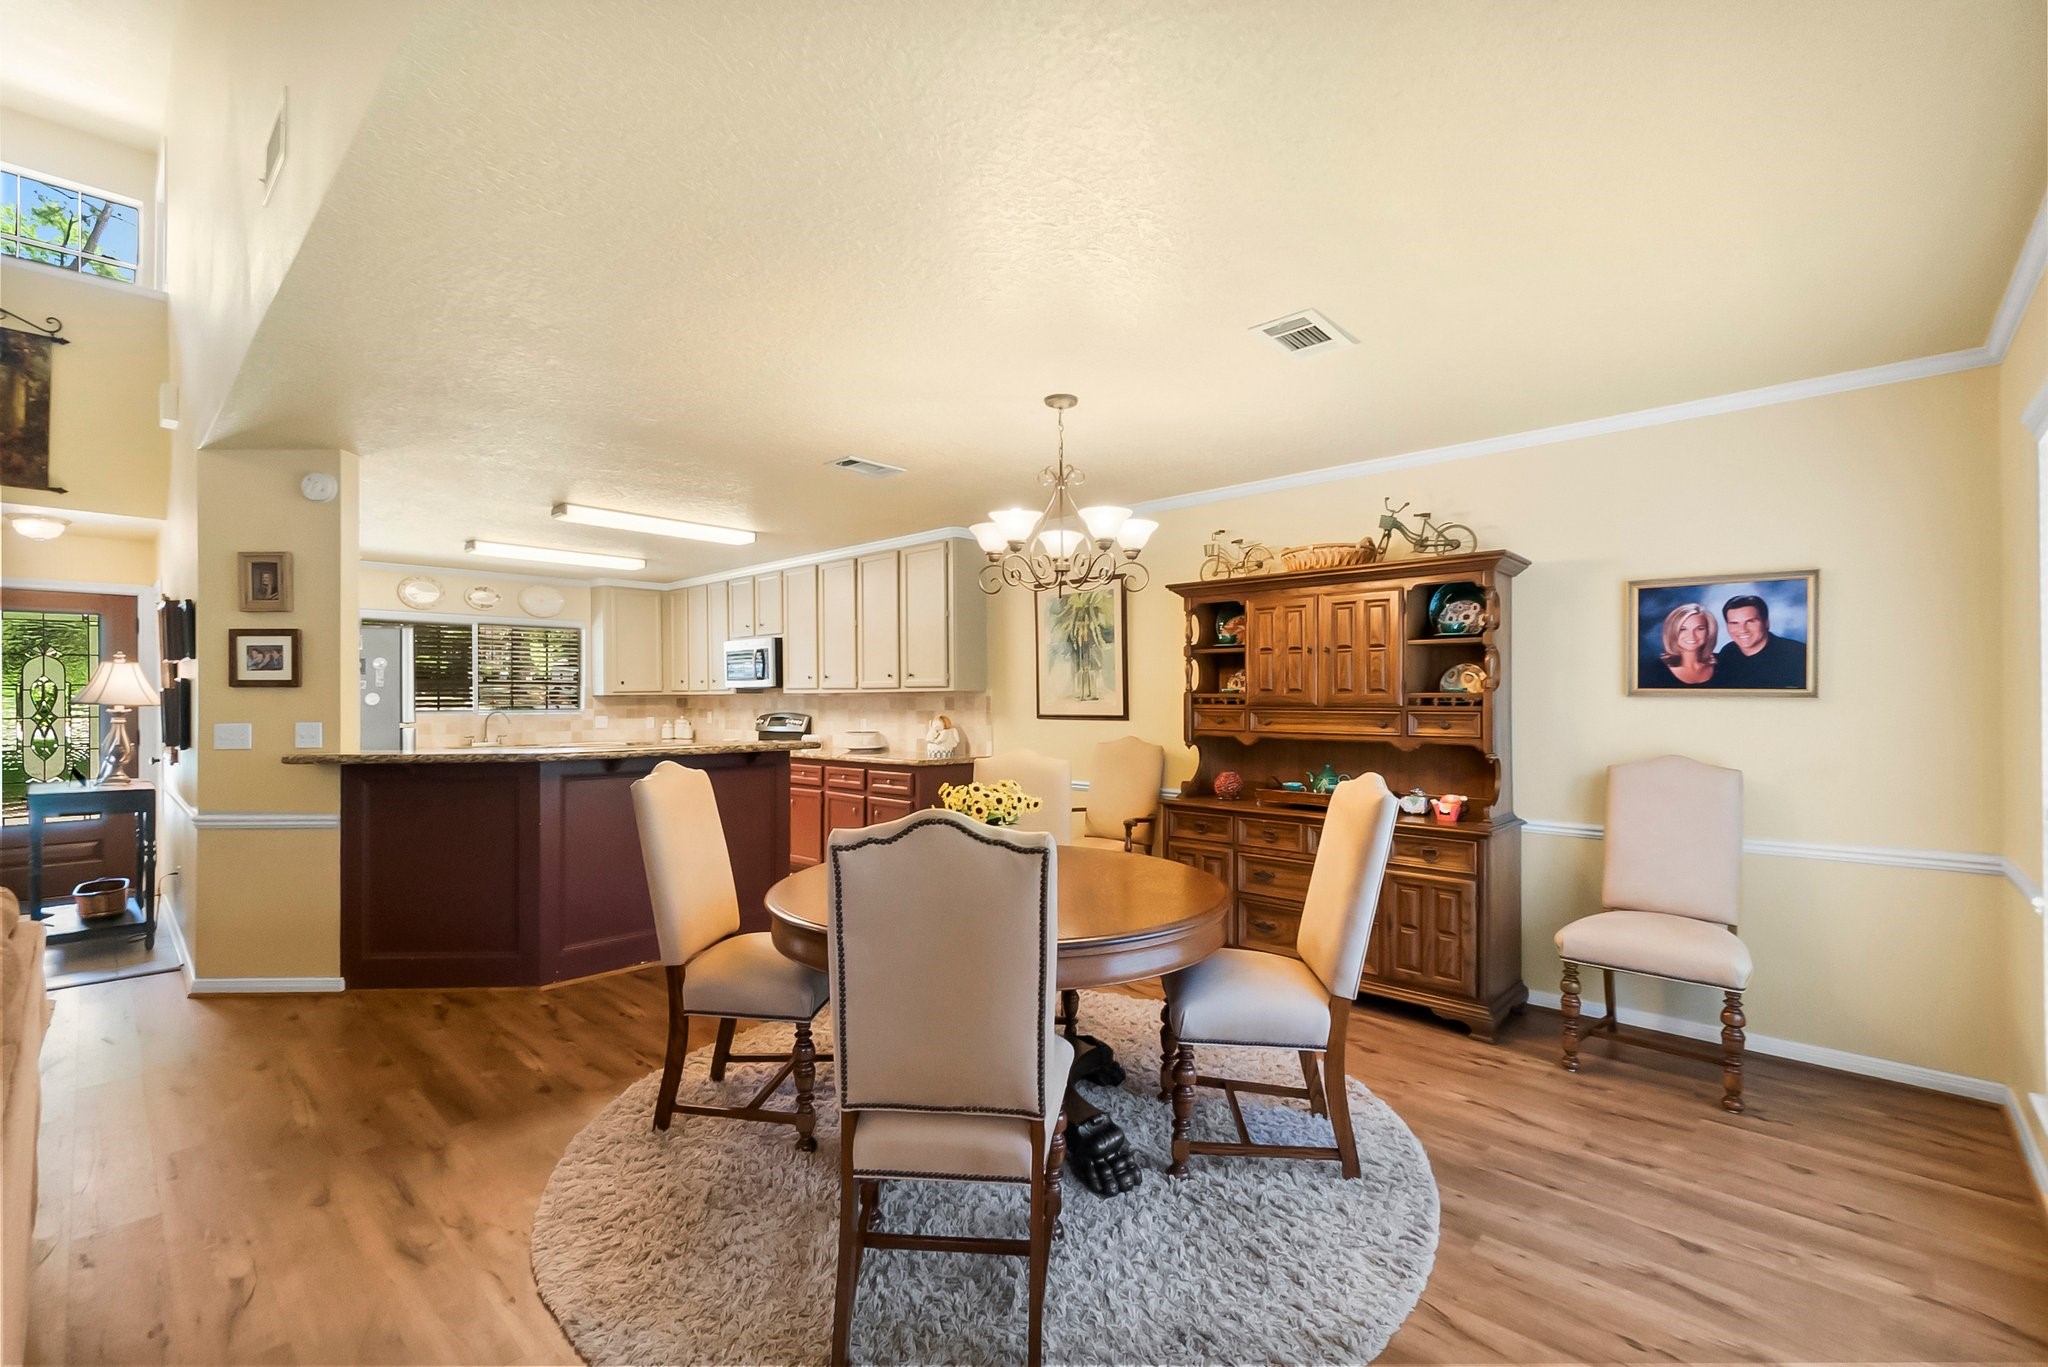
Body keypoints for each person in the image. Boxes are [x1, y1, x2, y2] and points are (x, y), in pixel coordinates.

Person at [1714, 594, 1808, 689]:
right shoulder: (1728, 652)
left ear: (1766, 623)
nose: (1742, 630)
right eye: (1734, 623)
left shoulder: (1798, 655)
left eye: (1750, 621)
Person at [1640, 603, 1718, 688]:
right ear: (1672, 631)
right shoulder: (1653, 671)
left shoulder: (1723, 664)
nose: (1691, 635)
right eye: (1683, 629)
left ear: (1709, 632)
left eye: (1700, 629)